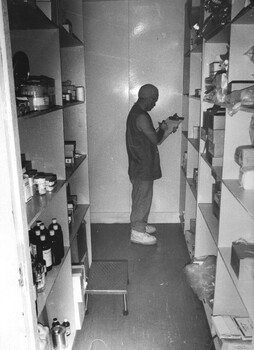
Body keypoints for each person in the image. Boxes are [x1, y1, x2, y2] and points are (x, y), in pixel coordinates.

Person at [126, 84, 177, 245]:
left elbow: (150, 138)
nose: (154, 104)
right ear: (147, 98)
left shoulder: (136, 113)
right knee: (142, 197)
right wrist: (163, 129)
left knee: (142, 196)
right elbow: (155, 140)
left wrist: (164, 130)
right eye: (154, 100)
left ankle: (140, 225)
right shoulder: (141, 116)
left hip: (139, 163)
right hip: (142, 164)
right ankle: (137, 232)